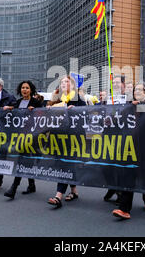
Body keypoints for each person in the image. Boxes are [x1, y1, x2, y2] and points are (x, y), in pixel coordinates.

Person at [112, 83, 145, 220]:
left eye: (140, 90)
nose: (137, 91)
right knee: (128, 175)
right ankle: (124, 209)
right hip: (130, 148)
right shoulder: (129, 107)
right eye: (135, 89)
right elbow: (117, 120)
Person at [47, 75, 86, 208]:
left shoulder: (78, 99)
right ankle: (74, 191)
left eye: (67, 81)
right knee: (65, 163)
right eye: (62, 82)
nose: (64, 83)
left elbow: (85, 114)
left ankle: (58, 195)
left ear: (73, 85)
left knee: (65, 163)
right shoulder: (58, 99)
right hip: (59, 136)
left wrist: (74, 111)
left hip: (72, 137)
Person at [4, 80, 43, 199]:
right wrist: (9, 108)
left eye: (26, 88)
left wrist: (35, 111)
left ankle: (14, 188)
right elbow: (16, 112)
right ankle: (31, 185)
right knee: (25, 161)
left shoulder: (36, 102)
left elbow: (43, 116)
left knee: (23, 160)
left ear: (31, 90)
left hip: (32, 136)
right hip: (21, 136)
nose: (24, 90)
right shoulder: (18, 102)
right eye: (22, 88)